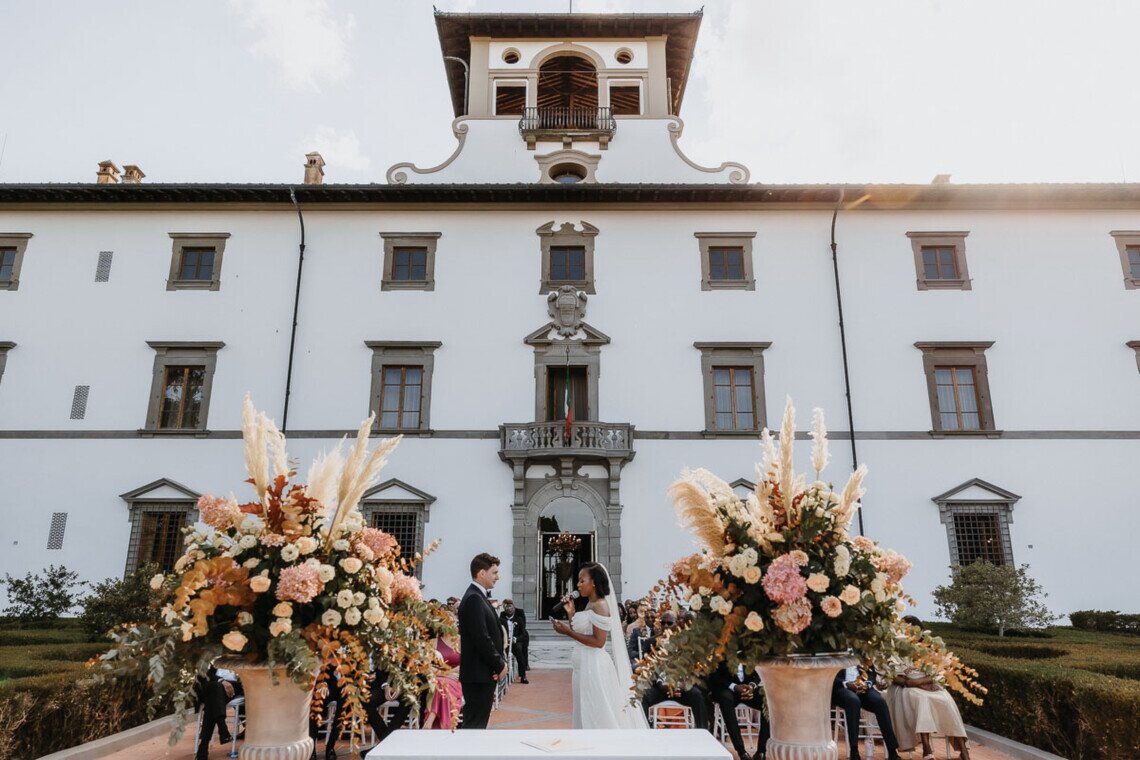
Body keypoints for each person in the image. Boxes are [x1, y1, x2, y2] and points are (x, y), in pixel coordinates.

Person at [551, 562, 649, 729]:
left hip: (594, 665)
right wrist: (571, 613)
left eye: (582, 581)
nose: (578, 585)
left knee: (595, 710)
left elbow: (598, 641)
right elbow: (581, 631)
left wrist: (567, 632)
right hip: (582, 664)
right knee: (584, 707)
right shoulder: (590, 604)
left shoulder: (601, 606)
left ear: (594, 582)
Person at [886, 617, 971, 760]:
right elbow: (894, 675)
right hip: (907, 687)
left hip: (928, 684)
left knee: (946, 700)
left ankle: (963, 749)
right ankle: (927, 748)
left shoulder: (930, 647)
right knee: (922, 699)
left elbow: (938, 673)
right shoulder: (895, 647)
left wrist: (924, 682)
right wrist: (914, 683)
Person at [457, 552, 507, 729]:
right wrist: (500, 664)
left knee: (477, 724)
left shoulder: (478, 596)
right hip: (478, 674)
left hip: (482, 672)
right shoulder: (473, 599)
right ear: (481, 573)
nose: (498, 577)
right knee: (474, 726)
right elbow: (481, 638)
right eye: (494, 572)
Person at [637, 611, 709, 729]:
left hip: (681, 688)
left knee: (697, 695)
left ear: (677, 624)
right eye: (663, 623)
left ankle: (704, 733)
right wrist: (662, 685)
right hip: (660, 688)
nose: (665, 626)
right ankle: (645, 731)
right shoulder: (651, 643)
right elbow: (648, 670)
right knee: (643, 695)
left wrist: (681, 685)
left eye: (669, 623)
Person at [831, 665, 901, 760]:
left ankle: (892, 751)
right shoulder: (837, 651)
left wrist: (867, 684)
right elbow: (831, 674)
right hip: (842, 688)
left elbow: (871, 670)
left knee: (880, 702)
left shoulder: (861, 650)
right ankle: (854, 750)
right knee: (853, 701)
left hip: (863, 687)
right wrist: (847, 684)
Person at [708, 661, 769, 760]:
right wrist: (735, 687)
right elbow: (714, 676)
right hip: (726, 688)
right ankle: (741, 751)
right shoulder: (721, 648)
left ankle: (761, 751)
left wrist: (752, 686)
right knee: (726, 698)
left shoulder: (751, 649)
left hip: (747, 688)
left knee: (767, 701)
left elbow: (759, 672)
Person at [423, 618, 464, 729]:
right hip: (438, 678)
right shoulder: (433, 642)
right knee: (440, 684)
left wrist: (448, 673)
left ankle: (429, 722)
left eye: (455, 623)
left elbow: (466, 664)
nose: (454, 626)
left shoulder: (460, 641)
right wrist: (444, 673)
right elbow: (427, 666)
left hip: (456, 680)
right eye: (450, 623)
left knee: (440, 684)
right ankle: (435, 722)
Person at [195, 666, 241, 760]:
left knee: (212, 701)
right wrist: (221, 681)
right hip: (210, 684)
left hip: (233, 687)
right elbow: (202, 674)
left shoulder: (239, 653)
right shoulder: (211, 653)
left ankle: (204, 745)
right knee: (215, 688)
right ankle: (222, 728)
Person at [500, 598, 530, 684]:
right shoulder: (501, 619)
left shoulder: (519, 619)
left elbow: (523, 634)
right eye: (507, 608)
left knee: (519, 653)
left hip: (515, 641)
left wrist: (515, 639)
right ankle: (503, 674)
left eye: (511, 607)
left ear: (514, 608)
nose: (509, 609)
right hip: (505, 642)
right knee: (501, 653)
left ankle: (523, 675)